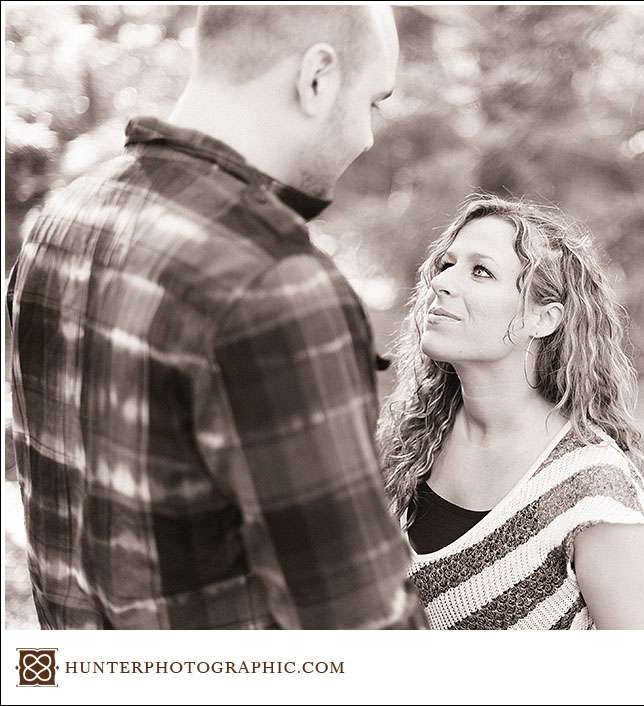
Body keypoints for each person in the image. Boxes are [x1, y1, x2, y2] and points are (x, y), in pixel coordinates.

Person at [5, 5, 427, 629]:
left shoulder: (60, 222)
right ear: (317, 77)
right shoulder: (270, 280)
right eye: (373, 102)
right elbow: (361, 628)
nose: (367, 137)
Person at [378, 196, 644, 629]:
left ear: (543, 318)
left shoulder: (593, 493)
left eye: (481, 271)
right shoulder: (407, 439)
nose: (442, 283)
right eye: (447, 264)